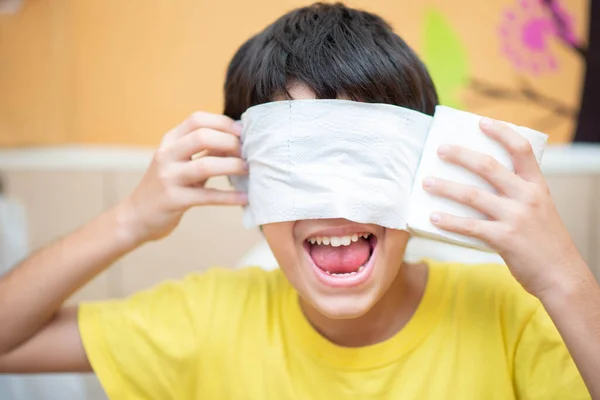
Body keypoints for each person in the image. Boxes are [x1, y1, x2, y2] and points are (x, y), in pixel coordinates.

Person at [0, 3, 598, 399]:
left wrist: (563, 280)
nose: (337, 202)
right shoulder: (208, 318)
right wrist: (129, 221)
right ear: (245, 179)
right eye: (298, 162)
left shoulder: (513, 317)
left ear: (423, 164)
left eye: (365, 158)